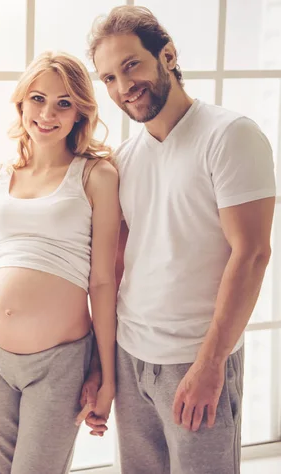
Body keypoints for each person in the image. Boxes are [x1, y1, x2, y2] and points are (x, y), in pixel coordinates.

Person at [85, 6, 277, 473]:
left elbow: (251, 255)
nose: (123, 87)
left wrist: (210, 363)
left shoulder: (230, 136)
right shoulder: (125, 159)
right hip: (132, 358)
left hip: (197, 357)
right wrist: (104, 364)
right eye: (108, 77)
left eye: (131, 65)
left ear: (167, 56)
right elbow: (115, 265)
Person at [0, 51, 121, 474]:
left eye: (63, 103)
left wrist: (106, 375)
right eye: (37, 99)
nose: (47, 113)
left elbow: (103, 282)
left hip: (59, 357)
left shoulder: (96, 176)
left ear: (80, 113)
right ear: (20, 104)